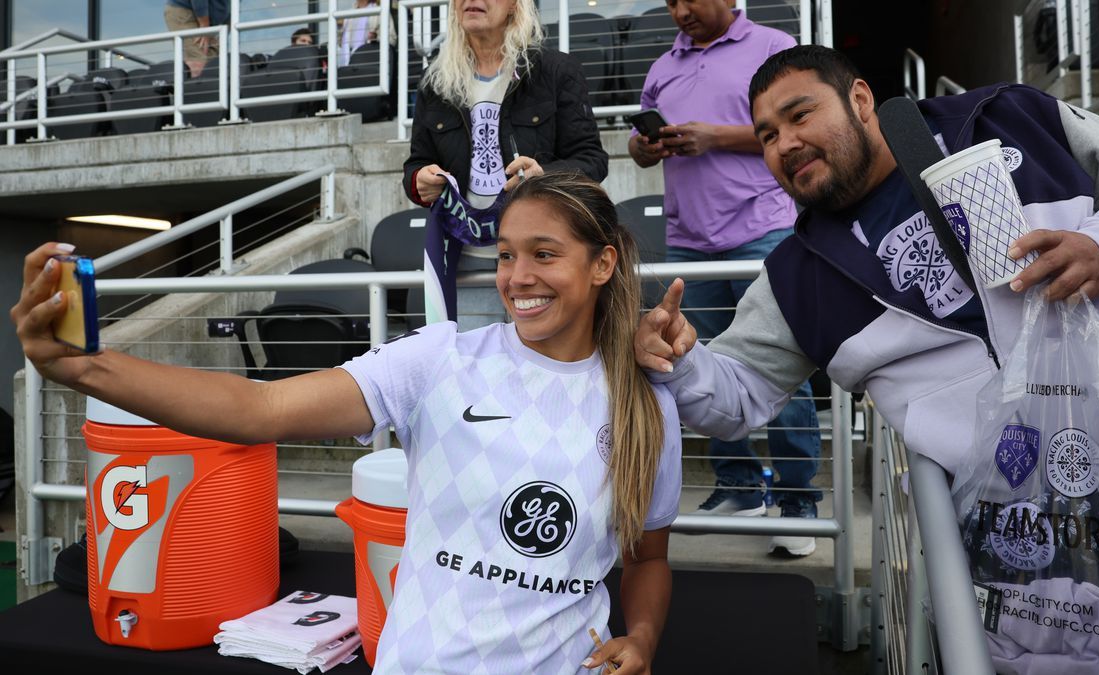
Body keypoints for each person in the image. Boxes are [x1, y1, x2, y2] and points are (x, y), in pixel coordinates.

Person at [635, 45, 1099, 655]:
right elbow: (737, 395)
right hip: (1033, 559)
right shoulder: (797, 277)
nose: (784, 144)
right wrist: (681, 358)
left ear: (859, 100)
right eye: (767, 135)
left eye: (801, 115)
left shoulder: (1003, 119)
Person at [13, 172, 679, 674]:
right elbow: (259, 409)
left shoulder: (646, 404)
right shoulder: (440, 356)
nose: (518, 276)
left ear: (602, 264)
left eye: (544, 253)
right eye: (505, 254)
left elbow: (647, 556)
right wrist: (86, 368)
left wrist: (642, 636)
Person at [628, 0, 822, 556]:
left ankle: (797, 500)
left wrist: (716, 137)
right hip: (690, 241)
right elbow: (639, 152)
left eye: (689, 0)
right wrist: (645, 146)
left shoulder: (772, 47)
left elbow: (794, 131)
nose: (679, 10)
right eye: (669, 2)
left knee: (782, 365)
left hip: (764, 229)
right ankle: (739, 484)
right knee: (695, 360)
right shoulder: (662, 66)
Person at [404, 0, 608, 331]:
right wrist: (419, 179)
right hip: (466, 265)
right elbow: (416, 165)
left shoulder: (556, 71)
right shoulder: (435, 82)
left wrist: (544, 177)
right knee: (476, 376)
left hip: (541, 264)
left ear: (515, 5)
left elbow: (592, 161)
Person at [163, 0, 230, 79]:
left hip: (210, 23)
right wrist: (204, 26)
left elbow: (232, 8)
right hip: (185, 11)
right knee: (198, 61)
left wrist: (223, 33)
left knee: (213, 62)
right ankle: (193, 89)